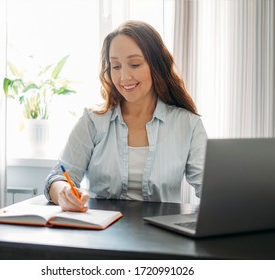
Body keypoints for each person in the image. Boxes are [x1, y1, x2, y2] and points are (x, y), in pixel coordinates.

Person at [44, 20, 207, 212]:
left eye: (134, 64)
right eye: (116, 66)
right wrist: (64, 193)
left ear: (156, 65)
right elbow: (58, 177)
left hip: (162, 236)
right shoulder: (92, 121)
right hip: (102, 234)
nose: (124, 77)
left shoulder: (187, 124)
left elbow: (211, 188)